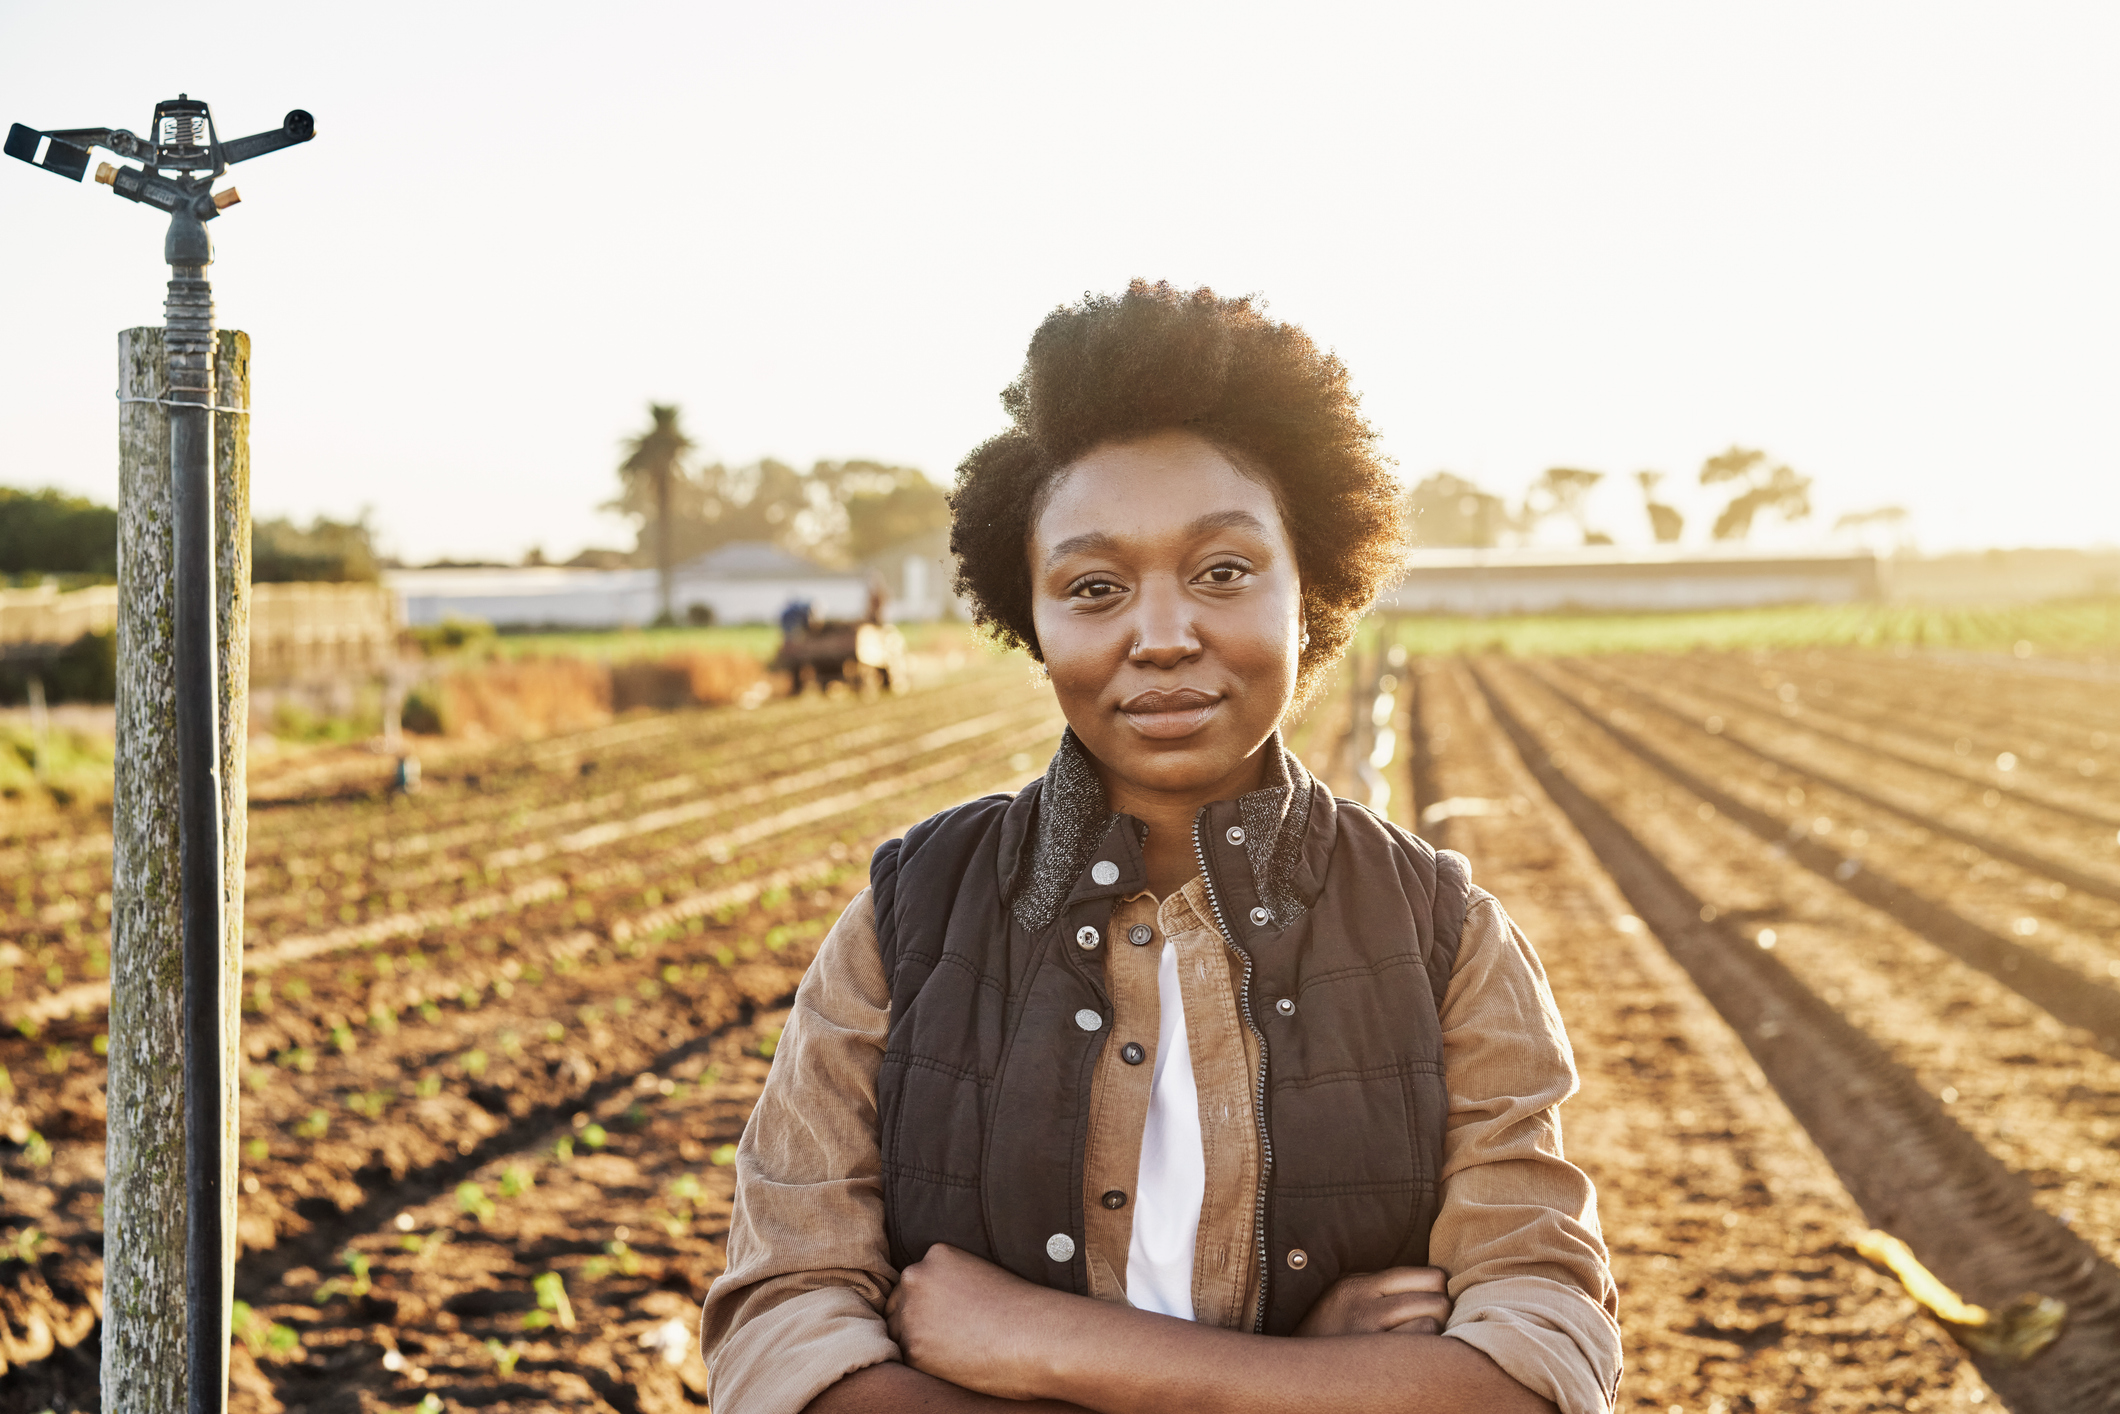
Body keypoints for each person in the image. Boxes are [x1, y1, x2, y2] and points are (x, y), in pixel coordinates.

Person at [701, 281, 1622, 1413]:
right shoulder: (908, 921)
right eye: (1093, 588)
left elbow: (1536, 1374)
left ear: (1309, 588)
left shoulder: (1445, 940)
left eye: (1222, 572)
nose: (1163, 634)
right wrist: (1315, 1379)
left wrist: (1040, 1342)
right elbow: (783, 1338)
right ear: (1029, 619)